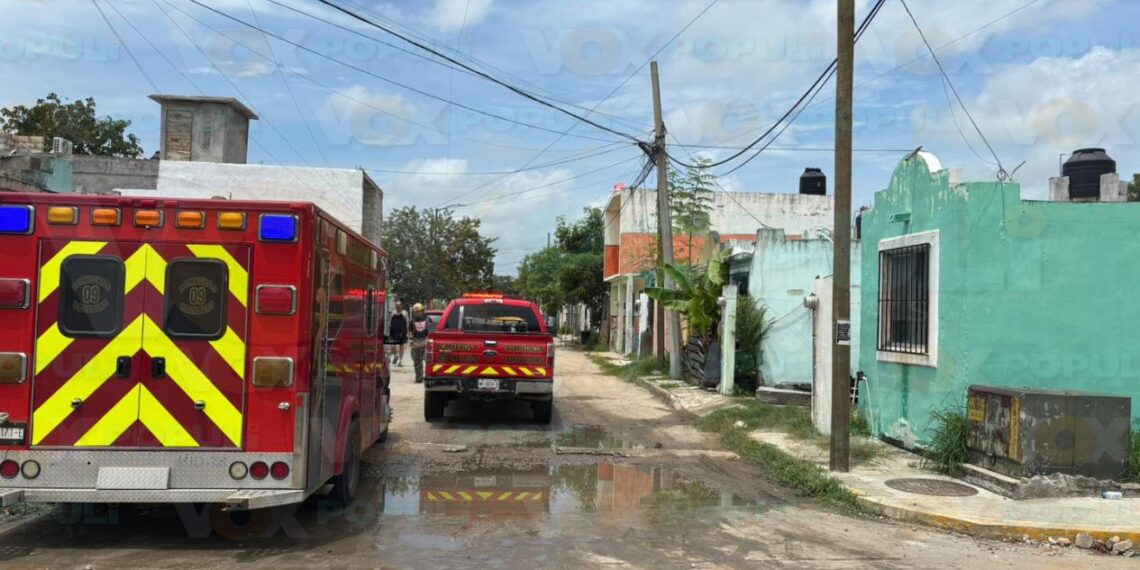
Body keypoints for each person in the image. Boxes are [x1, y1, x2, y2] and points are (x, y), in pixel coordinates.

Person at [409, 303, 431, 383]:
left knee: (428, 360)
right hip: (416, 341)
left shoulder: (428, 320)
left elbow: (431, 330)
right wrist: (411, 340)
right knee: (417, 361)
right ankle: (419, 378)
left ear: (422, 311)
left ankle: (430, 377)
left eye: (419, 311)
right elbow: (410, 331)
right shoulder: (412, 321)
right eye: (415, 312)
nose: (417, 313)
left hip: (426, 341)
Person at [388, 300, 408, 366]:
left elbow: (407, 322)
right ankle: (396, 356)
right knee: (393, 346)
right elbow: (390, 322)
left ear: (402, 306)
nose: (397, 306)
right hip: (394, 331)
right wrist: (389, 331)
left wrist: (407, 333)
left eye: (399, 305)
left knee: (401, 346)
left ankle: (400, 361)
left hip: (402, 332)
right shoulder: (393, 313)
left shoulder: (405, 313)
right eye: (396, 305)